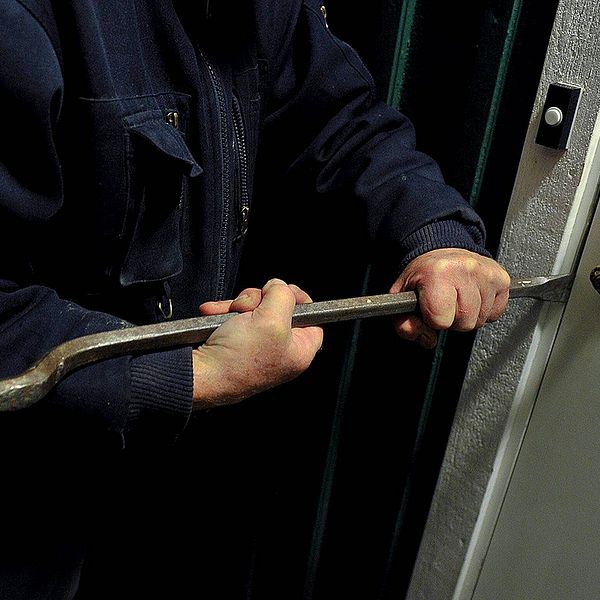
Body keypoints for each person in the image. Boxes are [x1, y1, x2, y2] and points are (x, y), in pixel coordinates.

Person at [0, 0, 510, 598]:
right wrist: (196, 375)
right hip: (33, 498)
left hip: (177, 483)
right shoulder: (23, 23)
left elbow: (340, 119)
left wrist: (434, 233)